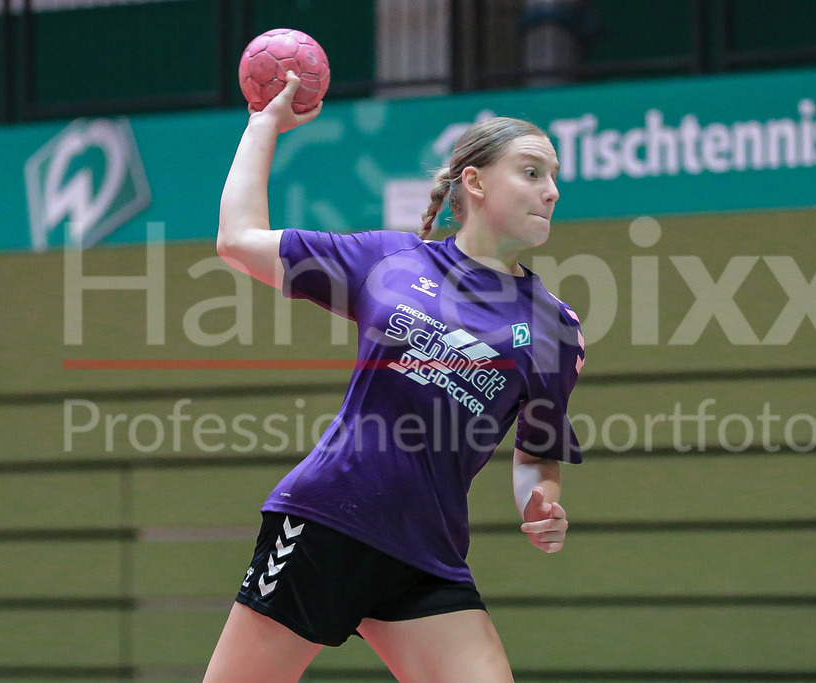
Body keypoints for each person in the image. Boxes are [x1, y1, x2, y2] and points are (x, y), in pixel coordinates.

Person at [204, 72, 585, 682]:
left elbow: (536, 453)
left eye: (556, 178)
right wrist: (264, 125)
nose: (552, 191)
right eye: (533, 172)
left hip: (425, 552)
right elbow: (237, 240)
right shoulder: (390, 262)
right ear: (477, 182)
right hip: (329, 521)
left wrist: (541, 502)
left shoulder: (554, 329)